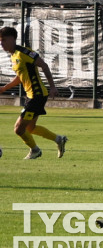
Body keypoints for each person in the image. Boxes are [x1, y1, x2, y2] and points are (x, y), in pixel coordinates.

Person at [0, 26, 68, 159]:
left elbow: (44, 65)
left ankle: (35, 150)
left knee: (19, 129)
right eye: (0, 41)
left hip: (36, 95)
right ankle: (59, 139)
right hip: (32, 96)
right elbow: (21, 77)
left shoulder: (24, 52)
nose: (1, 43)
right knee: (30, 128)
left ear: (13, 39)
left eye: (4, 40)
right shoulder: (13, 56)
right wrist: (4, 88)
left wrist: (53, 87)